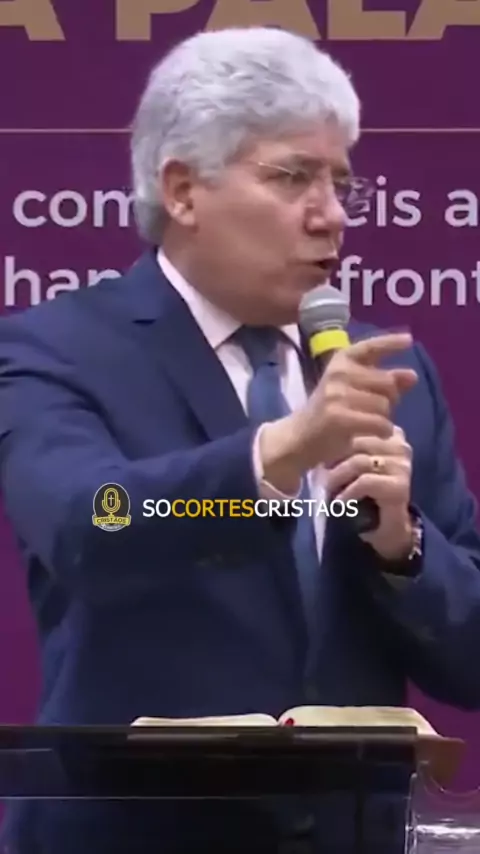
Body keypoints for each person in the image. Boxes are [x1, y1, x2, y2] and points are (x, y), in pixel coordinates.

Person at [0, 24, 480, 854]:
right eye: (293, 177)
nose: (331, 216)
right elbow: (93, 523)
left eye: (341, 183)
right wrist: (276, 457)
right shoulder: (53, 350)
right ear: (183, 191)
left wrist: (403, 547)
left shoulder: (387, 375)